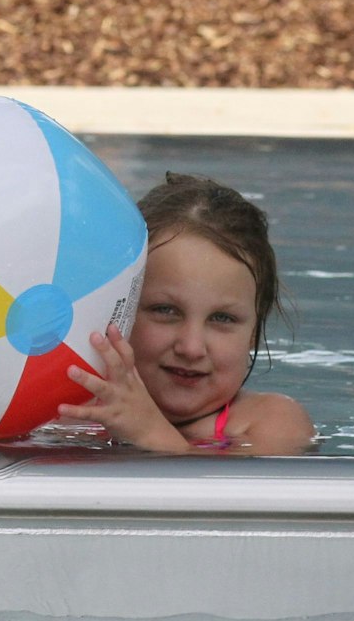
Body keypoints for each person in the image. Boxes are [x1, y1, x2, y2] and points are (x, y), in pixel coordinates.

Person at [59, 173, 314, 454]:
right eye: (165, 310)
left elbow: (232, 496)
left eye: (222, 318)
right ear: (122, 311)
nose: (191, 348)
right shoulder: (69, 414)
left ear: (253, 332)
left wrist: (148, 432)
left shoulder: (271, 424)